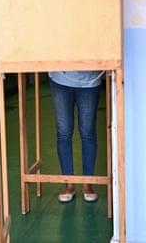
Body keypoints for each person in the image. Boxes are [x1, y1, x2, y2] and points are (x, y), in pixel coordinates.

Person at [48, 70, 104, 203]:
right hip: (60, 78)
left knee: (87, 133)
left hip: (89, 80)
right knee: (64, 132)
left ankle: (87, 183)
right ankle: (69, 183)